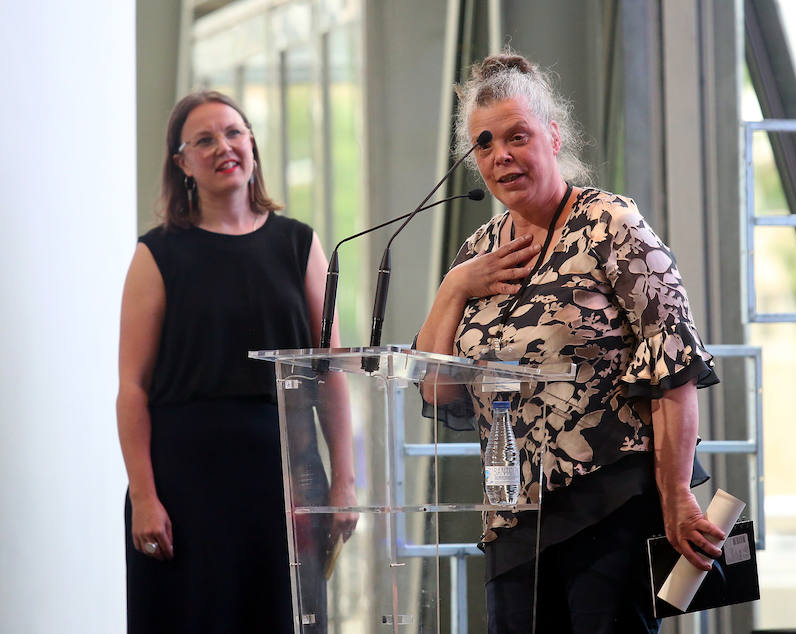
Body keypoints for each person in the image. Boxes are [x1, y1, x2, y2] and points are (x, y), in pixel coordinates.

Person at [415, 53, 723, 633]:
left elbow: (673, 364)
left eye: (516, 136)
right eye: (484, 144)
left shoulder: (611, 223)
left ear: (553, 137)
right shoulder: (478, 251)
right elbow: (435, 383)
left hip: (609, 503)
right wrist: (454, 286)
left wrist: (677, 494)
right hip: (512, 517)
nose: (500, 155)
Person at [117, 90, 357, 634]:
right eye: (204, 139)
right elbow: (132, 388)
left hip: (288, 479)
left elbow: (331, 372)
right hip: (185, 488)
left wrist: (344, 480)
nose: (223, 146)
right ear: (182, 163)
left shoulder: (300, 245)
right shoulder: (157, 255)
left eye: (233, 132)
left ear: (252, 142)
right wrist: (144, 496)